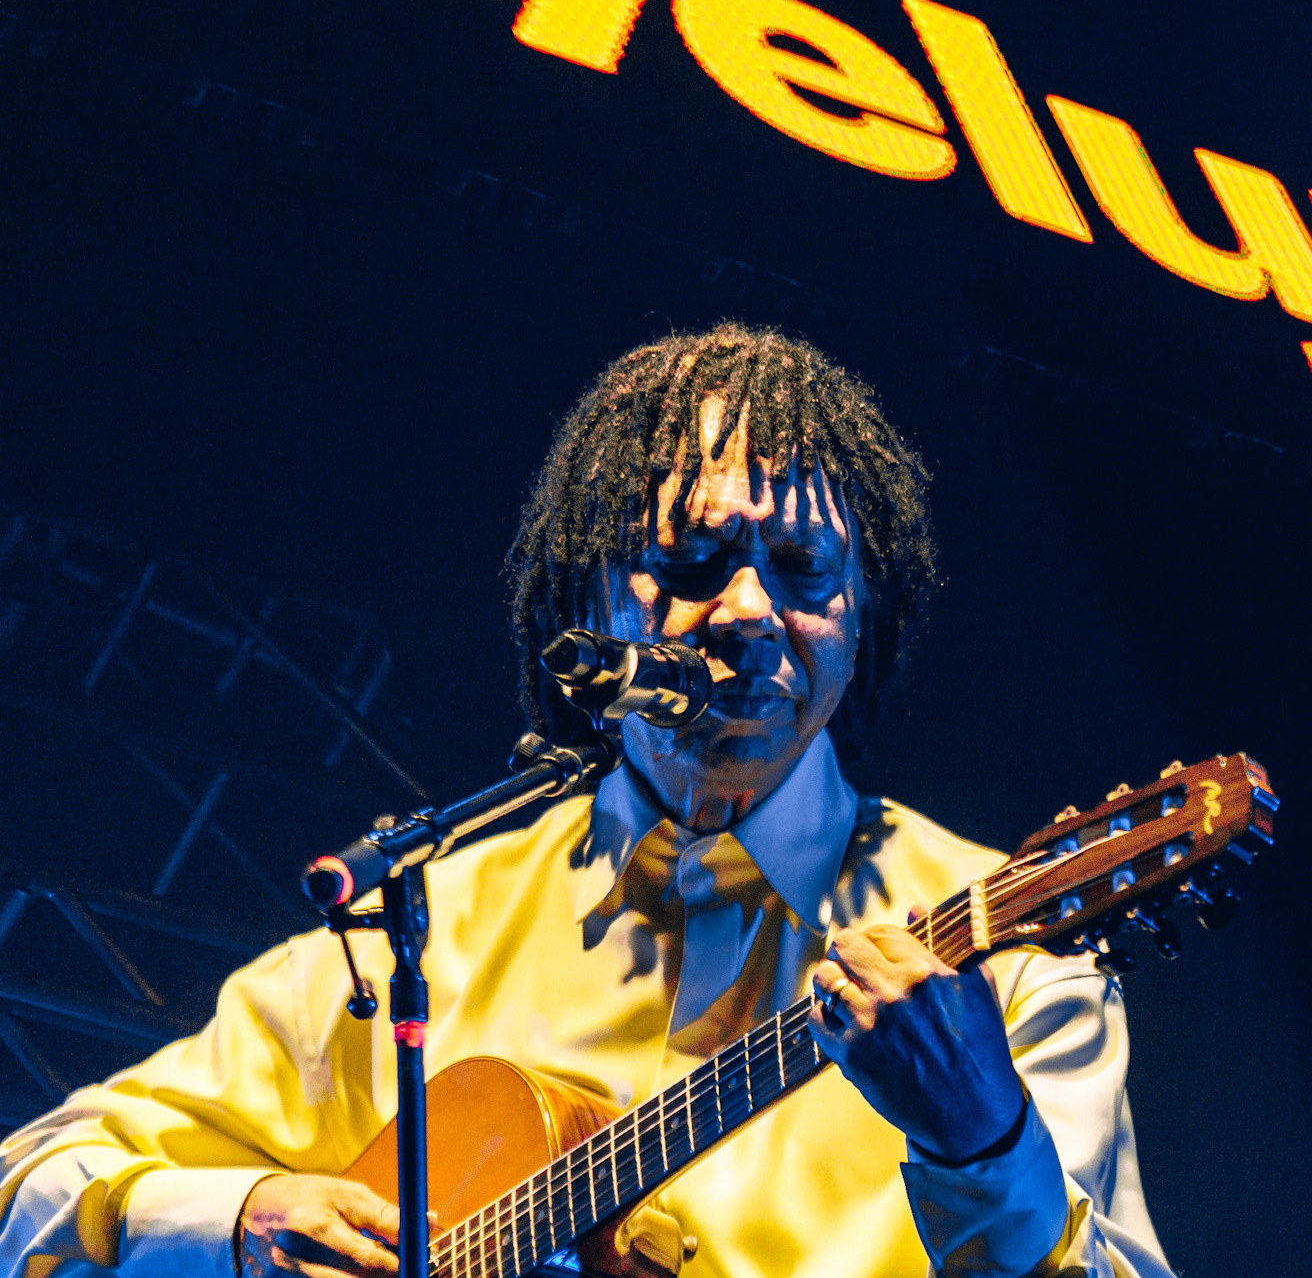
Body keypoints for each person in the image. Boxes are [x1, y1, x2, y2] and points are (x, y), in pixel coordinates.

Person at [0, 324, 1172, 1278]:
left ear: (863, 615)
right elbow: (28, 1187)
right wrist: (242, 1219)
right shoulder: (424, 930)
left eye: (806, 569)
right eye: (694, 559)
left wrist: (984, 1139)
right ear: (589, 590)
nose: (749, 610)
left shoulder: (1006, 963)